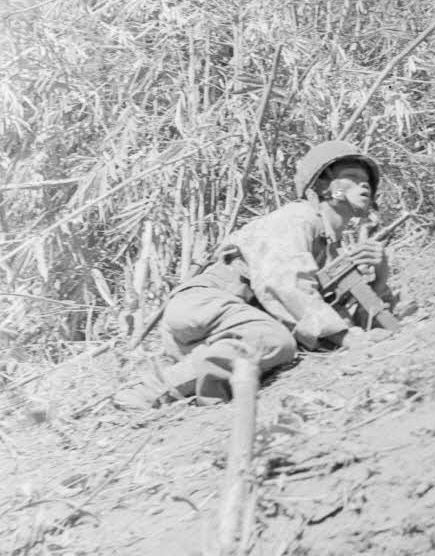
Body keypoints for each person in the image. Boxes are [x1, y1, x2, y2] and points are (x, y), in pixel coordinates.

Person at [116, 140, 398, 409]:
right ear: (322, 185)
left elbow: (345, 321)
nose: (363, 185)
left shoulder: (329, 247)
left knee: (268, 346)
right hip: (206, 304)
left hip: (228, 325)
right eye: (351, 176)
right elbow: (285, 285)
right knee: (274, 340)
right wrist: (347, 337)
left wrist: (379, 276)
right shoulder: (297, 218)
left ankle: (190, 380)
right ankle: (149, 391)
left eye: (367, 182)